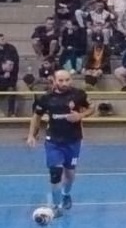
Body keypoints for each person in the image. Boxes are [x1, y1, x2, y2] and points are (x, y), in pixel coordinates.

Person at [26, 69, 91, 215]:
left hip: (73, 140)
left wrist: (80, 115)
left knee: (70, 174)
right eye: (61, 81)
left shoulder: (78, 95)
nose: (64, 83)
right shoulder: (46, 98)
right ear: (54, 81)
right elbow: (36, 117)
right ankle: (56, 207)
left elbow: (91, 109)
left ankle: (66, 194)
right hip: (54, 141)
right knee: (55, 173)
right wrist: (31, 135)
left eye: (67, 80)